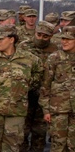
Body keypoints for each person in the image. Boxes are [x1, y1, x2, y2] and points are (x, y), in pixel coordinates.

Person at [0, 25, 44, 152]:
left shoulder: (29, 59)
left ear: (12, 39)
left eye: (1, 39)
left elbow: (39, 73)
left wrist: (25, 85)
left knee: (12, 147)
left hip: (16, 112)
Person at [18, 20, 58, 151]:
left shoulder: (55, 50)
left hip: (44, 95)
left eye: (45, 36)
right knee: (22, 131)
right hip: (25, 94)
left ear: (50, 36)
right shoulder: (24, 46)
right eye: (39, 34)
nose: (41, 38)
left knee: (40, 131)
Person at [39, 25, 75, 151]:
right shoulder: (54, 58)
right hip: (58, 110)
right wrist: (46, 110)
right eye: (63, 39)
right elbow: (45, 86)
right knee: (58, 145)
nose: (64, 42)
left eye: (68, 39)